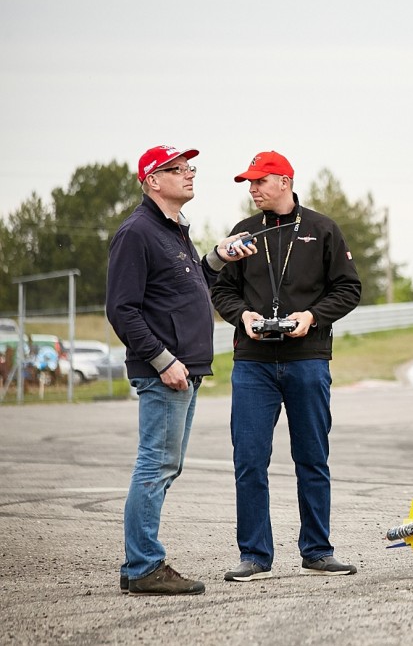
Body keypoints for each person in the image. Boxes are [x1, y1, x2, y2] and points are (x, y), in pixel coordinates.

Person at [107, 145, 256, 595]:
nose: (189, 174)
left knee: (165, 465)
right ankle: (143, 565)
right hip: (165, 370)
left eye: (190, 167)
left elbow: (186, 287)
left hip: (185, 368)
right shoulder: (137, 232)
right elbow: (122, 310)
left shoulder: (174, 231)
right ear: (152, 180)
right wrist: (162, 360)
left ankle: (140, 561)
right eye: (176, 169)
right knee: (155, 464)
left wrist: (216, 257)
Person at [211, 150, 362, 582]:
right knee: (250, 460)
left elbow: (349, 289)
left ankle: (317, 550)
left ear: (285, 181)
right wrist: (243, 316)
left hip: (307, 358)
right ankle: (255, 555)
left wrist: (310, 317)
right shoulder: (242, 233)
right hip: (253, 363)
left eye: (260, 181)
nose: (253, 189)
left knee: (312, 458)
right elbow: (222, 290)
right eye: (249, 183)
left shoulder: (322, 229)